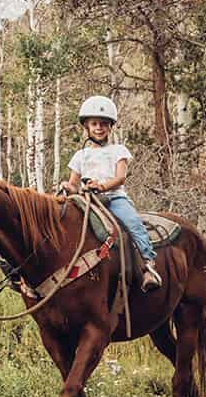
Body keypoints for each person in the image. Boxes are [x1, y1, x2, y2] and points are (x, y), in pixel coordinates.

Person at [61, 96, 161, 292]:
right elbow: (74, 184)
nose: (99, 127)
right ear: (87, 127)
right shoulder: (80, 155)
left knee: (133, 223)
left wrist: (102, 186)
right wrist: (67, 187)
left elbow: (120, 178)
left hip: (114, 197)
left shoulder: (118, 151)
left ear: (110, 126)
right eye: (94, 124)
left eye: (104, 124)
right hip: (87, 200)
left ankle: (148, 264)